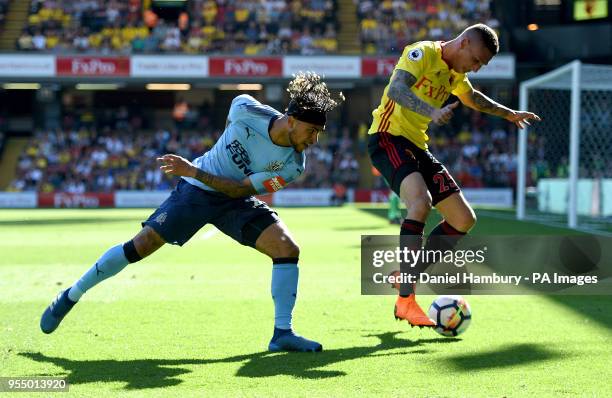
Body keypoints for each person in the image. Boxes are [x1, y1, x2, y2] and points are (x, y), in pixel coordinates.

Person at [40, 72, 344, 352]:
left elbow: (239, 190)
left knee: (287, 248)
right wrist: (207, 167)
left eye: (319, 133)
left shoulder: (293, 166)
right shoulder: (245, 108)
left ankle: (282, 334)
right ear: (291, 120)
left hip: (233, 196)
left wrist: (196, 171)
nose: (314, 140)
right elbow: (232, 123)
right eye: (312, 131)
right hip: (195, 192)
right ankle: (70, 295)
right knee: (140, 246)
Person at [367, 24, 540, 327]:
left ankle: (407, 274)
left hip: (417, 146)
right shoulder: (421, 53)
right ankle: (405, 300)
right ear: (463, 43)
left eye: (480, 66)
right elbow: (396, 89)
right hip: (387, 137)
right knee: (420, 204)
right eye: (475, 60)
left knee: (463, 219)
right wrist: (431, 112)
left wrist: (509, 113)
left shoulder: (456, 75)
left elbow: (473, 98)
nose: (475, 69)